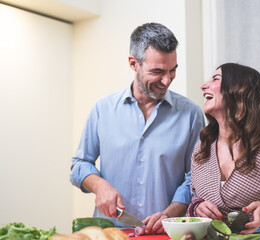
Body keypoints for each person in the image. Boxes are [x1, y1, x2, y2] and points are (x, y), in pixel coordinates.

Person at [70, 22, 205, 234]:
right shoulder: (102, 109)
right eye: (158, 71)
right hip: (110, 233)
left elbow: (196, 178)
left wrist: (169, 214)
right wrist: (99, 186)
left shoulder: (191, 114)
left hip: (166, 233)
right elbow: (80, 164)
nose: (167, 80)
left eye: (173, 70)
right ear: (134, 64)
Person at [187, 63, 260, 238]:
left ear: (239, 91)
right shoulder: (202, 148)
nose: (204, 85)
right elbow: (195, 198)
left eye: (216, 79)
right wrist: (197, 208)